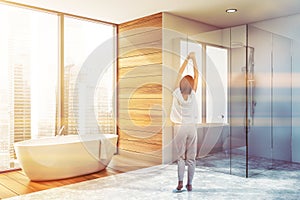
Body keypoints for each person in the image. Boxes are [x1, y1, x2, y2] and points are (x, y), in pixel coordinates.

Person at [170, 52, 199, 192]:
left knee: (181, 157)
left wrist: (186, 59)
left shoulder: (176, 93)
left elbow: (179, 73)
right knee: (191, 158)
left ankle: (180, 182)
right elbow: (197, 74)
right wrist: (194, 59)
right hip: (191, 128)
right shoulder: (193, 94)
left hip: (179, 127)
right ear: (192, 85)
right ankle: (190, 184)